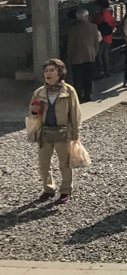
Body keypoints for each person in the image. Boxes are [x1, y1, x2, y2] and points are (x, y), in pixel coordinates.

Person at [30, 58, 81, 203]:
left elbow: (75, 113)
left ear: (59, 73)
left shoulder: (69, 91)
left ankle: (65, 190)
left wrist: (75, 133)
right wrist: (34, 112)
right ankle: (48, 189)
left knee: (64, 163)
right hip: (44, 132)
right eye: (46, 70)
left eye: (52, 70)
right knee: (43, 164)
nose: (48, 73)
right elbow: (33, 114)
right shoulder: (39, 92)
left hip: (63, 132)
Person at [66, 7, 100, 103]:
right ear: (86, 16)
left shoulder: (73, 29)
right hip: (90, 55)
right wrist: (94, 53)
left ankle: (78, 94)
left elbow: (70, 44)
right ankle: (88, 94)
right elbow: (96, 43)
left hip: (76, 57)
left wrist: (69, 56)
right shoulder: (93, 27)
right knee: (88, 76)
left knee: (77, 78)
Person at [91, 0, 115, 78]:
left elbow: (94, 24)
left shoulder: (99, 15)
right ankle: (107, 70)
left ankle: (100, 71)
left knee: (98, 55)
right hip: (109, 37)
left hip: (101, 38)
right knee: (105, 55)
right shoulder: (109, 14)